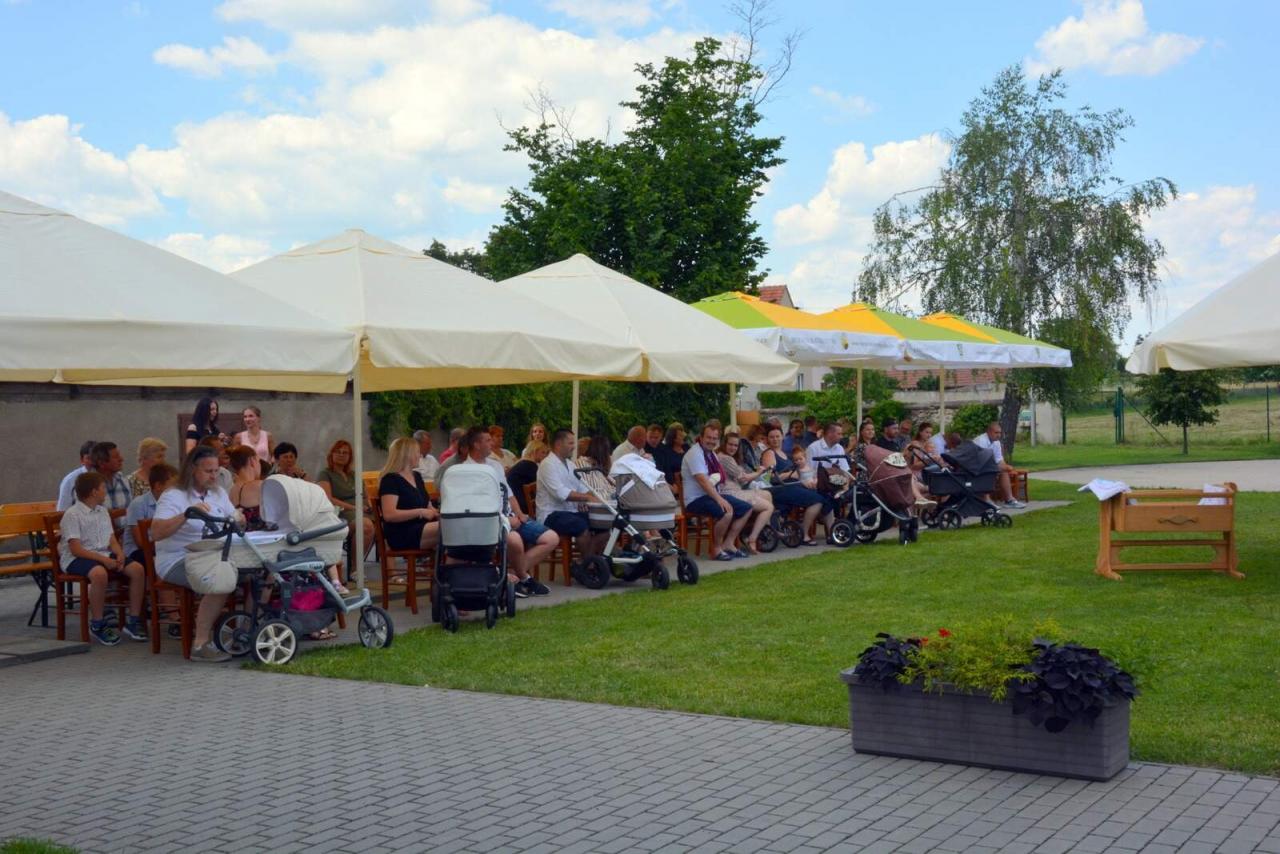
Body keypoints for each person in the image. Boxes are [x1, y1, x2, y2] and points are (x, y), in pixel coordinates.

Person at [151, 446, 243, 662]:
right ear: (193, 469)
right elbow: (156, 533)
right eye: (208, 471)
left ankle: (245, 631)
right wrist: (186, 515)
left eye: (216, 471)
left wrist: (239, 519)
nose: (214, 476)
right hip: (177, 558)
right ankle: (200, 644)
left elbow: (233, 517)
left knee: (259, 572)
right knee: (220, 579)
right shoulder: (173, 496)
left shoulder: (218, 493)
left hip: (213, 554)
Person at [453, 426, 553, 597]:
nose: (492, 443)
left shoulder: (495, 465)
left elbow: (508, 492)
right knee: (515, 541)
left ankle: (511, 575)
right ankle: (523, 578)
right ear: (476, 445)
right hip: (490, 521)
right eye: (488, 440)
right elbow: (476, 505)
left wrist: (519, 513)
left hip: (510, 516)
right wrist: (505, 519)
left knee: (550, 538)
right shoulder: (466, 471)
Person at [60, 471, 148, 645]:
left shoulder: (102, 511)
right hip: (76, 557)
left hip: (103, 553)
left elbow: (111, 540)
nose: (105, 492)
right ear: (94, 492)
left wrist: (120, 554)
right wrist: (104, 560)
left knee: (137, 569)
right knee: (99, 574)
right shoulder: (72, 514)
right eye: (102, 488)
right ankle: (98, 623)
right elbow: (76, 549)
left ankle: (133, 620)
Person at [681, 420, 752, 561]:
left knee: (747, 508)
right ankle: (716, 549)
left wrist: (721, 497)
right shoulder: (695, 454)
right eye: (708, 437)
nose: (711, 441)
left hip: (711, 495)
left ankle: (729, 544)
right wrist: (720, 499)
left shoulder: (711, 454)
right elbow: (703, 482)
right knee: (727, 511)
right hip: (695, 499)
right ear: (701, 437)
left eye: (714, 438)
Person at [536, 429, 608, 560]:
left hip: (572, 512)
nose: (574, 447)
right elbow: (560, 493)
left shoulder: (570, 464)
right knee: (580, 526)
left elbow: (582, 488)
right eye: (570, 443)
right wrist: (587, 498)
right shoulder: (547, 465)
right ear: (558, 444)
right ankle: (588, 564)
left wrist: (591, 498)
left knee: (603, 526)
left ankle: (587, 562)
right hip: (551, 514)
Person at [761, 426, 833, 546]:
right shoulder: (769, 453)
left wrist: (807, 481)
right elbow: (769, 478)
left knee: (825, 495)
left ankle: (832, 533)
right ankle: (804, 535)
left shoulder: (784, 454)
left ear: (782, 437)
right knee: (817, 500)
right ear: (767, 439)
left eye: (777, 436)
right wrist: (791, 474)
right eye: (772, 437)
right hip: (780, 489)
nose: (775, 439)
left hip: (793, 485)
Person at [317, 440, 376, 575]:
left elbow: (366, 495)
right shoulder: (325, 474)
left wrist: (370, 506)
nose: (341, 455)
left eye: (345, 453)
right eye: (338, 452)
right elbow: (328, 499)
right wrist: (354, 508)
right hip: (342, 512)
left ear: (350, 457)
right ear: (331, 454)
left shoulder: (354, 474)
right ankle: (356, 569)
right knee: (365, 525)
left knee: (387, 523)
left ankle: (391, 572)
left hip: (363, 510)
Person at [377, 437, 441, 558]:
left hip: (422, 527)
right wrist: (420, 512)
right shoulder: (390, 480)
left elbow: (428, 505)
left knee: (454, 526)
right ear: (407, 454)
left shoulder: (417, 476)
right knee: (450, 529)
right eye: (417, 452)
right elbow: (389, 515)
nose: (420, 455)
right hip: (402, 532)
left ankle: (450, 565)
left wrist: (437, 513)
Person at [717, 432, 774, 554]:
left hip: (735, 490)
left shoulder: (727, 457)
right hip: (730, 493)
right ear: (724, 444)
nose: (733, 448)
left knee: (767, 494)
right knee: (768, 507)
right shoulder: (725, 458)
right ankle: (752, 539)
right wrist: (759, 472)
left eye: (736, 445)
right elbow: (743, 478)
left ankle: (764, 530)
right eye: (730, 444)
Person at [122, 462, 178, 574]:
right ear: (158, 486)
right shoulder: (138, 504)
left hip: (160, 547)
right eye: (173, 486)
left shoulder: (172, 503)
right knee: (169, 562)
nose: (176, 491)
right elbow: (140, 542)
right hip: (137, 552)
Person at [973, 421, 1025, 509]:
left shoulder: (996, 442)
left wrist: (1006, 467)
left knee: (1004, 471)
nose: (999, 435)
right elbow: (981, 461)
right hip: (975, 467)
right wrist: (997, 467)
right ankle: (986, 500)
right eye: (996, 433)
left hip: (985, 466)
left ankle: (1009, 500)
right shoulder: (981, 441)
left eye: (1000, 433)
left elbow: (999, 460)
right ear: (989, 432)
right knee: (988, 472)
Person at [227, 445, 267, 531]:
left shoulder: (232, 491)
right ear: (252, 460)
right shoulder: (259, 486)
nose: (260, 465)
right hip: (260, 538)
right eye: (258, 461)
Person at [89, 442, 133, 513]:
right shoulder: (87, 485)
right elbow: (86, 515)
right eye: (116, 457)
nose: (121, 459)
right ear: (101, 463)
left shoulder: (123, 480)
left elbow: (131, 510)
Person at [507, 441, 548, 516]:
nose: (545, 456)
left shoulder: (522, 463)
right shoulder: (530, 466)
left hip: (512, 502)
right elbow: (540, 488)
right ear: (534, 452)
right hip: (522, 505)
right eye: (543, 452)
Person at [56, 440, 97, 511]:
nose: (92, 462)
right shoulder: (70, 480)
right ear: (82, 460)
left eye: (95, 458)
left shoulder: (107, 477)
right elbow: (62, 510)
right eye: (88, 458)